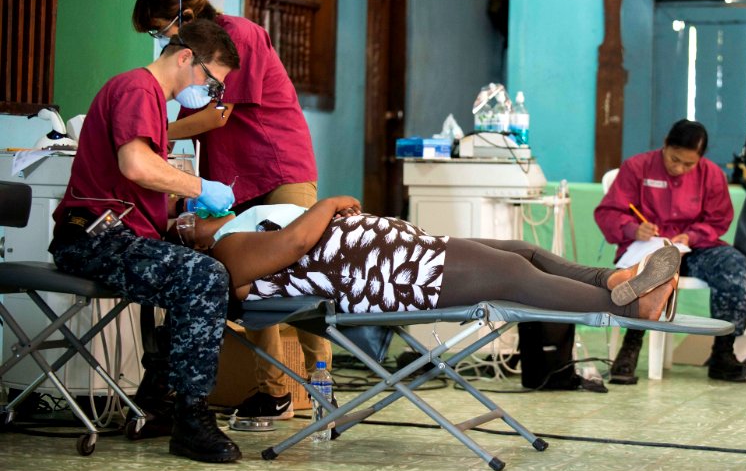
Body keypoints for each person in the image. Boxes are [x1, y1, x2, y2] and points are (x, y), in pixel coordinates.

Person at [48, 20, 242, 463]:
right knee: (204, 277)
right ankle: (189, 418)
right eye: (212, 82)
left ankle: (157, 402)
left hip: (116, 235)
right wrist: (199, 188)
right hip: (92, 238)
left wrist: (185, 213)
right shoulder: (139, 90)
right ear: (185, 58)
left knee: (210, 273)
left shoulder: (153, 100)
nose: (211, 96)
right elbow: (135, 165)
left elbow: (135, 187)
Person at [132, 0, 324, 419]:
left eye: (161, 27)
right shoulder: (185, 58)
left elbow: (218, 115)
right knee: (249, 276)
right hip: (236, 177)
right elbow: (190, 122)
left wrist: (148, 134)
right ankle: (273, 391)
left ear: (187, 14)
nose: (161, 37)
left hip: (279, 166)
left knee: (303, 271)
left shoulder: (239, 36)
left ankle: (321, 388)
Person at [171, 199, 684, 325]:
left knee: (521, 251)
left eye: (188, 214)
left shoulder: (243, 222)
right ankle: (626, 307)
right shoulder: (225, 252)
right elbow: (298, 244)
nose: (189, 219)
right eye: (181, 225)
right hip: (389, 274)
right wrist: (328, 205)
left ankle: (617, 279)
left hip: (398, 252)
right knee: (512, 276)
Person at [595, 119, 746, 384]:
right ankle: (631, 345)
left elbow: (718, 220)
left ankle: (723, 352)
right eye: (674, 160)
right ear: (665, 145)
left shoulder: (712, 175)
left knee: (736, 269)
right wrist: (632, 229)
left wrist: (691, 235)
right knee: (651, 270)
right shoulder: (637, 167)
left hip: (695, 249)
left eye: (689, 164)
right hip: (649, 248)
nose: (680, 168)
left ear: (700, 159)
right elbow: (609, 212)